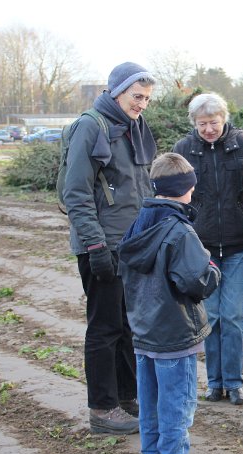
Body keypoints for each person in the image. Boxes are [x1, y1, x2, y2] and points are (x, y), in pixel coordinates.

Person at [62, 62, 157, 434]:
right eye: (137, 97)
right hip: (102, 245)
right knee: (104, 328)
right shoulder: (91, 126)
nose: (142, 104)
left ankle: (127, 398)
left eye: (147, 98)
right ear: (117, 91)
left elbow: (140, 186)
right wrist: (96, 245)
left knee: (128, 326)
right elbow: (77, 193)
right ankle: (102, 409)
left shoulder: (134, 126)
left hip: (131, 243)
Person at [117, 152, 221, 454]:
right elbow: (196, 281)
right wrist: (212, 269)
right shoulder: (180, 231)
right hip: (175, 334)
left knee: (150, 406)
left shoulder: (137, 224)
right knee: (177, 406)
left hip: (144, 331)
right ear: (186, 188)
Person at [172, 93, 243, 406]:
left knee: (233, 316)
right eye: (203, 123)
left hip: (237, 243)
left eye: (214, 122)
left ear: (224, 119)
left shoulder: (242, 145)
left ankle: (234, 383)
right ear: (194, 123)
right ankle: (215, 382)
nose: (209, 129)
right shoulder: (184, 149)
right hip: (201, 246)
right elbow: (174, 196)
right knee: (213, 316)